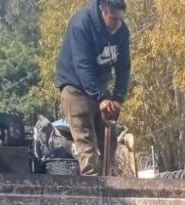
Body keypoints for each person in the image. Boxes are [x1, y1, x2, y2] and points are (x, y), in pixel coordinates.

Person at [55, 0, 131, 176]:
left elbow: (124, 68)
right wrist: (101, 97)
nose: (116, 25)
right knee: (86, 140)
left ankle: (111, 183)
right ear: (102, 10)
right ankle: (90, 184)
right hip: (75, 86)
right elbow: (83, 66)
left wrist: (118, 98)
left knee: (109, 140)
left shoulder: (122, 31)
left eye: (120, 20)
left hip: (100, 87)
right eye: (113, 19)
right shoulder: (81, 25)